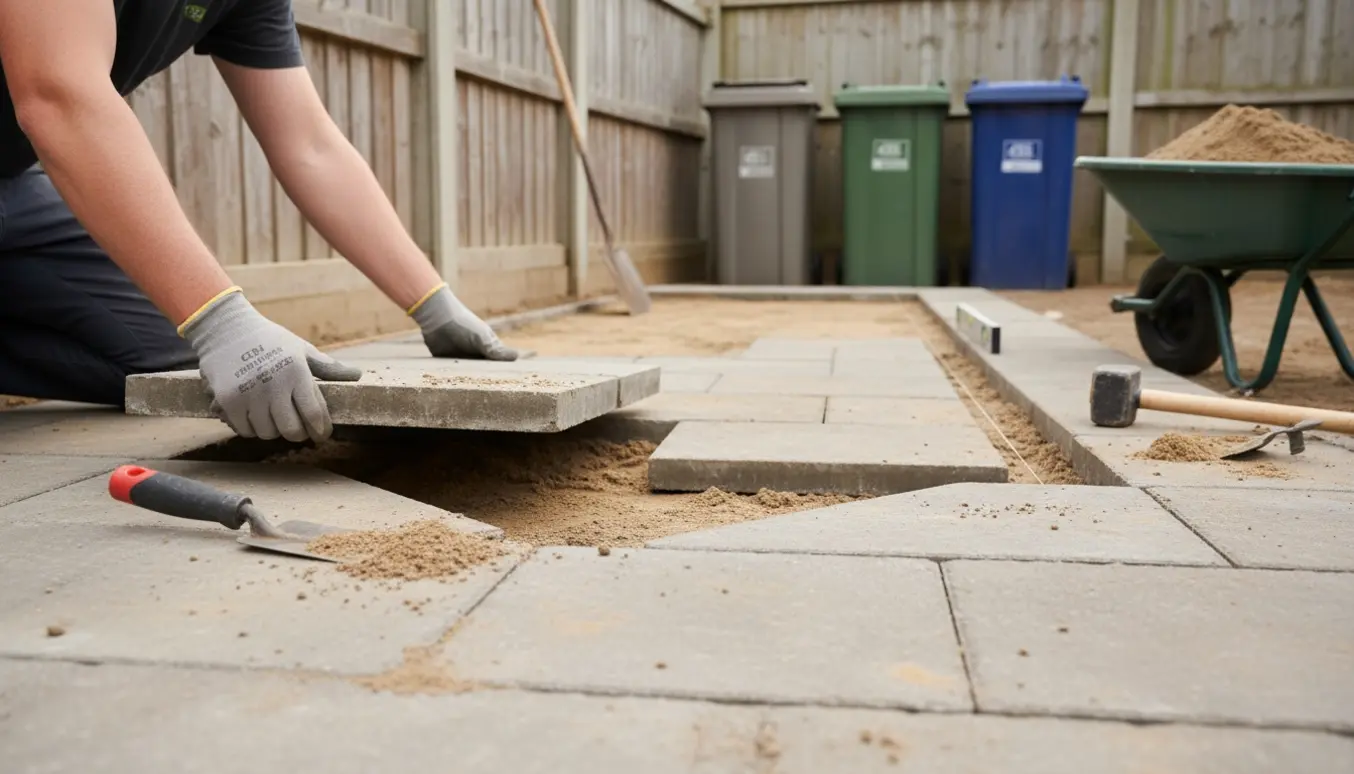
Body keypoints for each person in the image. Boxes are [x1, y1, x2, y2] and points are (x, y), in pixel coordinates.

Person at [0, 0, 517, 444]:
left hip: (13, 189)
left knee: (174, 353)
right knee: (209, 332)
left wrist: (433, 303)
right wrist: (219, 322)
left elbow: (309, 144)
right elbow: (58, 93)